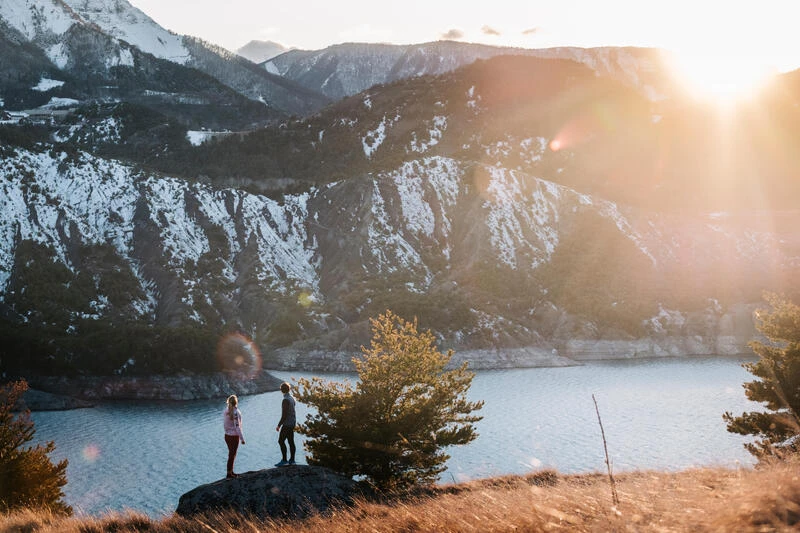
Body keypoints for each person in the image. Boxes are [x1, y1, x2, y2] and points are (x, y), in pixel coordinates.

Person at [223, 394, 245, 478]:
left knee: (231, 454)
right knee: (232, 455)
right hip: (234, 437)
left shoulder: (225, 411)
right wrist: (242, 439)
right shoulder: (236, 412)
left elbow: (225, 424)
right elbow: (237, 427)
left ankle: (231, 471)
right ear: (236, 402)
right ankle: (229, 473)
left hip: (227, 436)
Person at [275, 381, 296, 466]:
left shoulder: (285, 400)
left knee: (281, 441)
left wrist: (279, 425)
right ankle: (292, 460)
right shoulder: (292, 398)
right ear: (289, 389)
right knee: (291, 441)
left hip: (287, 424)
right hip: (293, 422)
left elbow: (284, 415)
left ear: (281, 390)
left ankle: (284, 460)